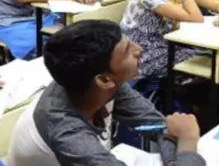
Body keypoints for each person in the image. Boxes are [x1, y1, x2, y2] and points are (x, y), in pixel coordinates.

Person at [6, 20, 205, 166]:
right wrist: (187, 143)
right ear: (103, 79)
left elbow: (156, 126)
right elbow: (172, 132)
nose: (139, 49)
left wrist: (173, 161)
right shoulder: (67, 133)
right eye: (128, 51)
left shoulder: (103, 84)